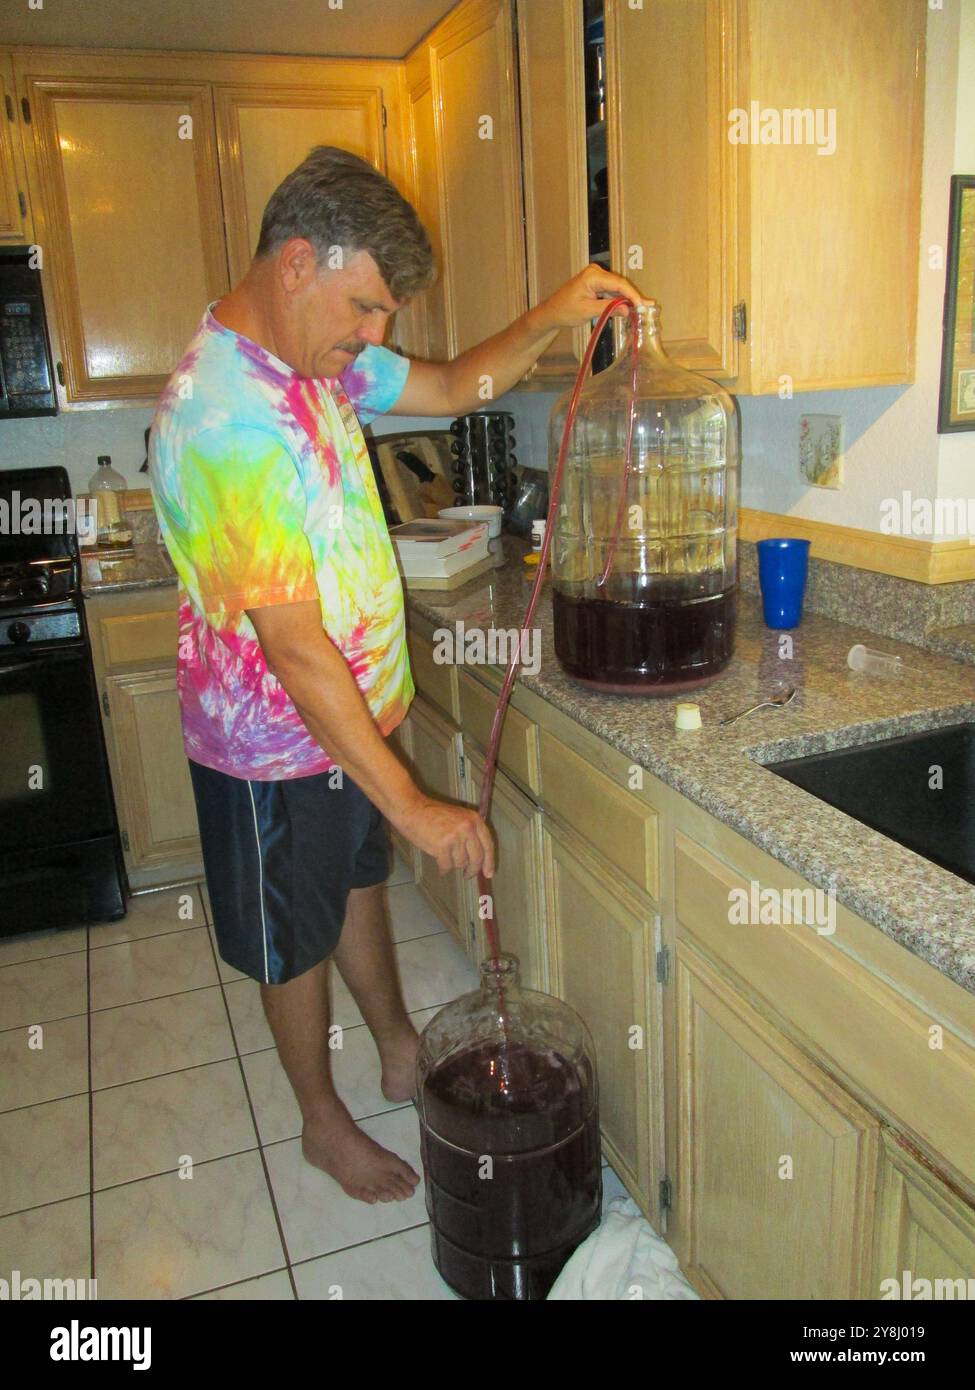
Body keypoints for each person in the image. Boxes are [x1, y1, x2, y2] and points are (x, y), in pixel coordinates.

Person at [149, 145, 647, 1206]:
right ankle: (320, 1122)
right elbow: (289, 646)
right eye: (366, 306)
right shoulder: (223, 413)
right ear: (296, 261)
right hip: (269, 749)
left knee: (360, 880)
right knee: (294, 939)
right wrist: (418, 801)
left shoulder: (318, 359)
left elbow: (459, 379)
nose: (374, 337)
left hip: (350, 725)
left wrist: (556, 313)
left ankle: (391, 1040)